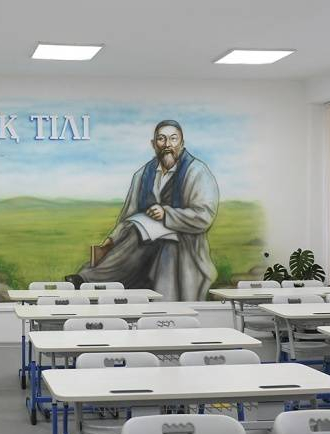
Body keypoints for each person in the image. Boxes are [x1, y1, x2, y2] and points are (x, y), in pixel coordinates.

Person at [66, 120, 219, 301]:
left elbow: (204, 216)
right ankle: (87, 281)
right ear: (154, 144)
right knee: (130, 236)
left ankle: (90, 281)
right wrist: (113, 238)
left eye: (173, 139)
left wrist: (167, 214)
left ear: (182, 143)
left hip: (184, 244)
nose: (167, 144)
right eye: (161, 139)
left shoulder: (197, 172)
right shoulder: (143, 174)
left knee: (166, 249)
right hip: (143, 240)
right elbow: (129, 215)